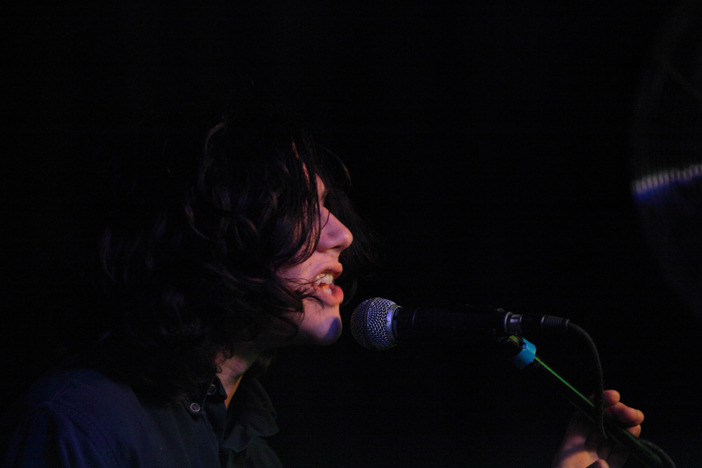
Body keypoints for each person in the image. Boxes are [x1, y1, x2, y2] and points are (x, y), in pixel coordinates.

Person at [0, 99, 644, 468]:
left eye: (329, 208)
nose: (340, 235)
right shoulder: (83, 423)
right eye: (302, 212)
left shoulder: (246, 441)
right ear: (211, 234)